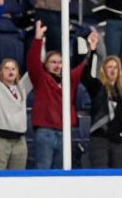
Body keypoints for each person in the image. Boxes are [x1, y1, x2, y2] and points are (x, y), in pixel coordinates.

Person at [27, 23, 99, 169]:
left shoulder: (69, 79)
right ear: (46, 64)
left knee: (61, 176)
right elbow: (32, 62)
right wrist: (37, 39)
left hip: (66, 133)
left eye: (60, 62)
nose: (57, 65)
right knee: (44, 174)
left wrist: (92, 48)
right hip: (45, 132)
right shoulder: (41, 78)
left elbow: (84, 66)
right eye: (53, 62)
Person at [0, 29, 35, 170]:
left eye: (13, 68)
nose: (10, 71)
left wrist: (39, 43)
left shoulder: (22, 87)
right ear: (0, 72)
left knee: (17, 184)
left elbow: (35, 70)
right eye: (7, 68)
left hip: (20, 142)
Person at [83, 52, 122, 168]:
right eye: (110, 67)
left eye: (115, 67)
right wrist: (92, 52)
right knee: (100, 175)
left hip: (118, 140)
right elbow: (86, 76)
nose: (113, 70)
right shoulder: (97, 87)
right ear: (103, 70)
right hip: (100, 138)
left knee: (119, 176)